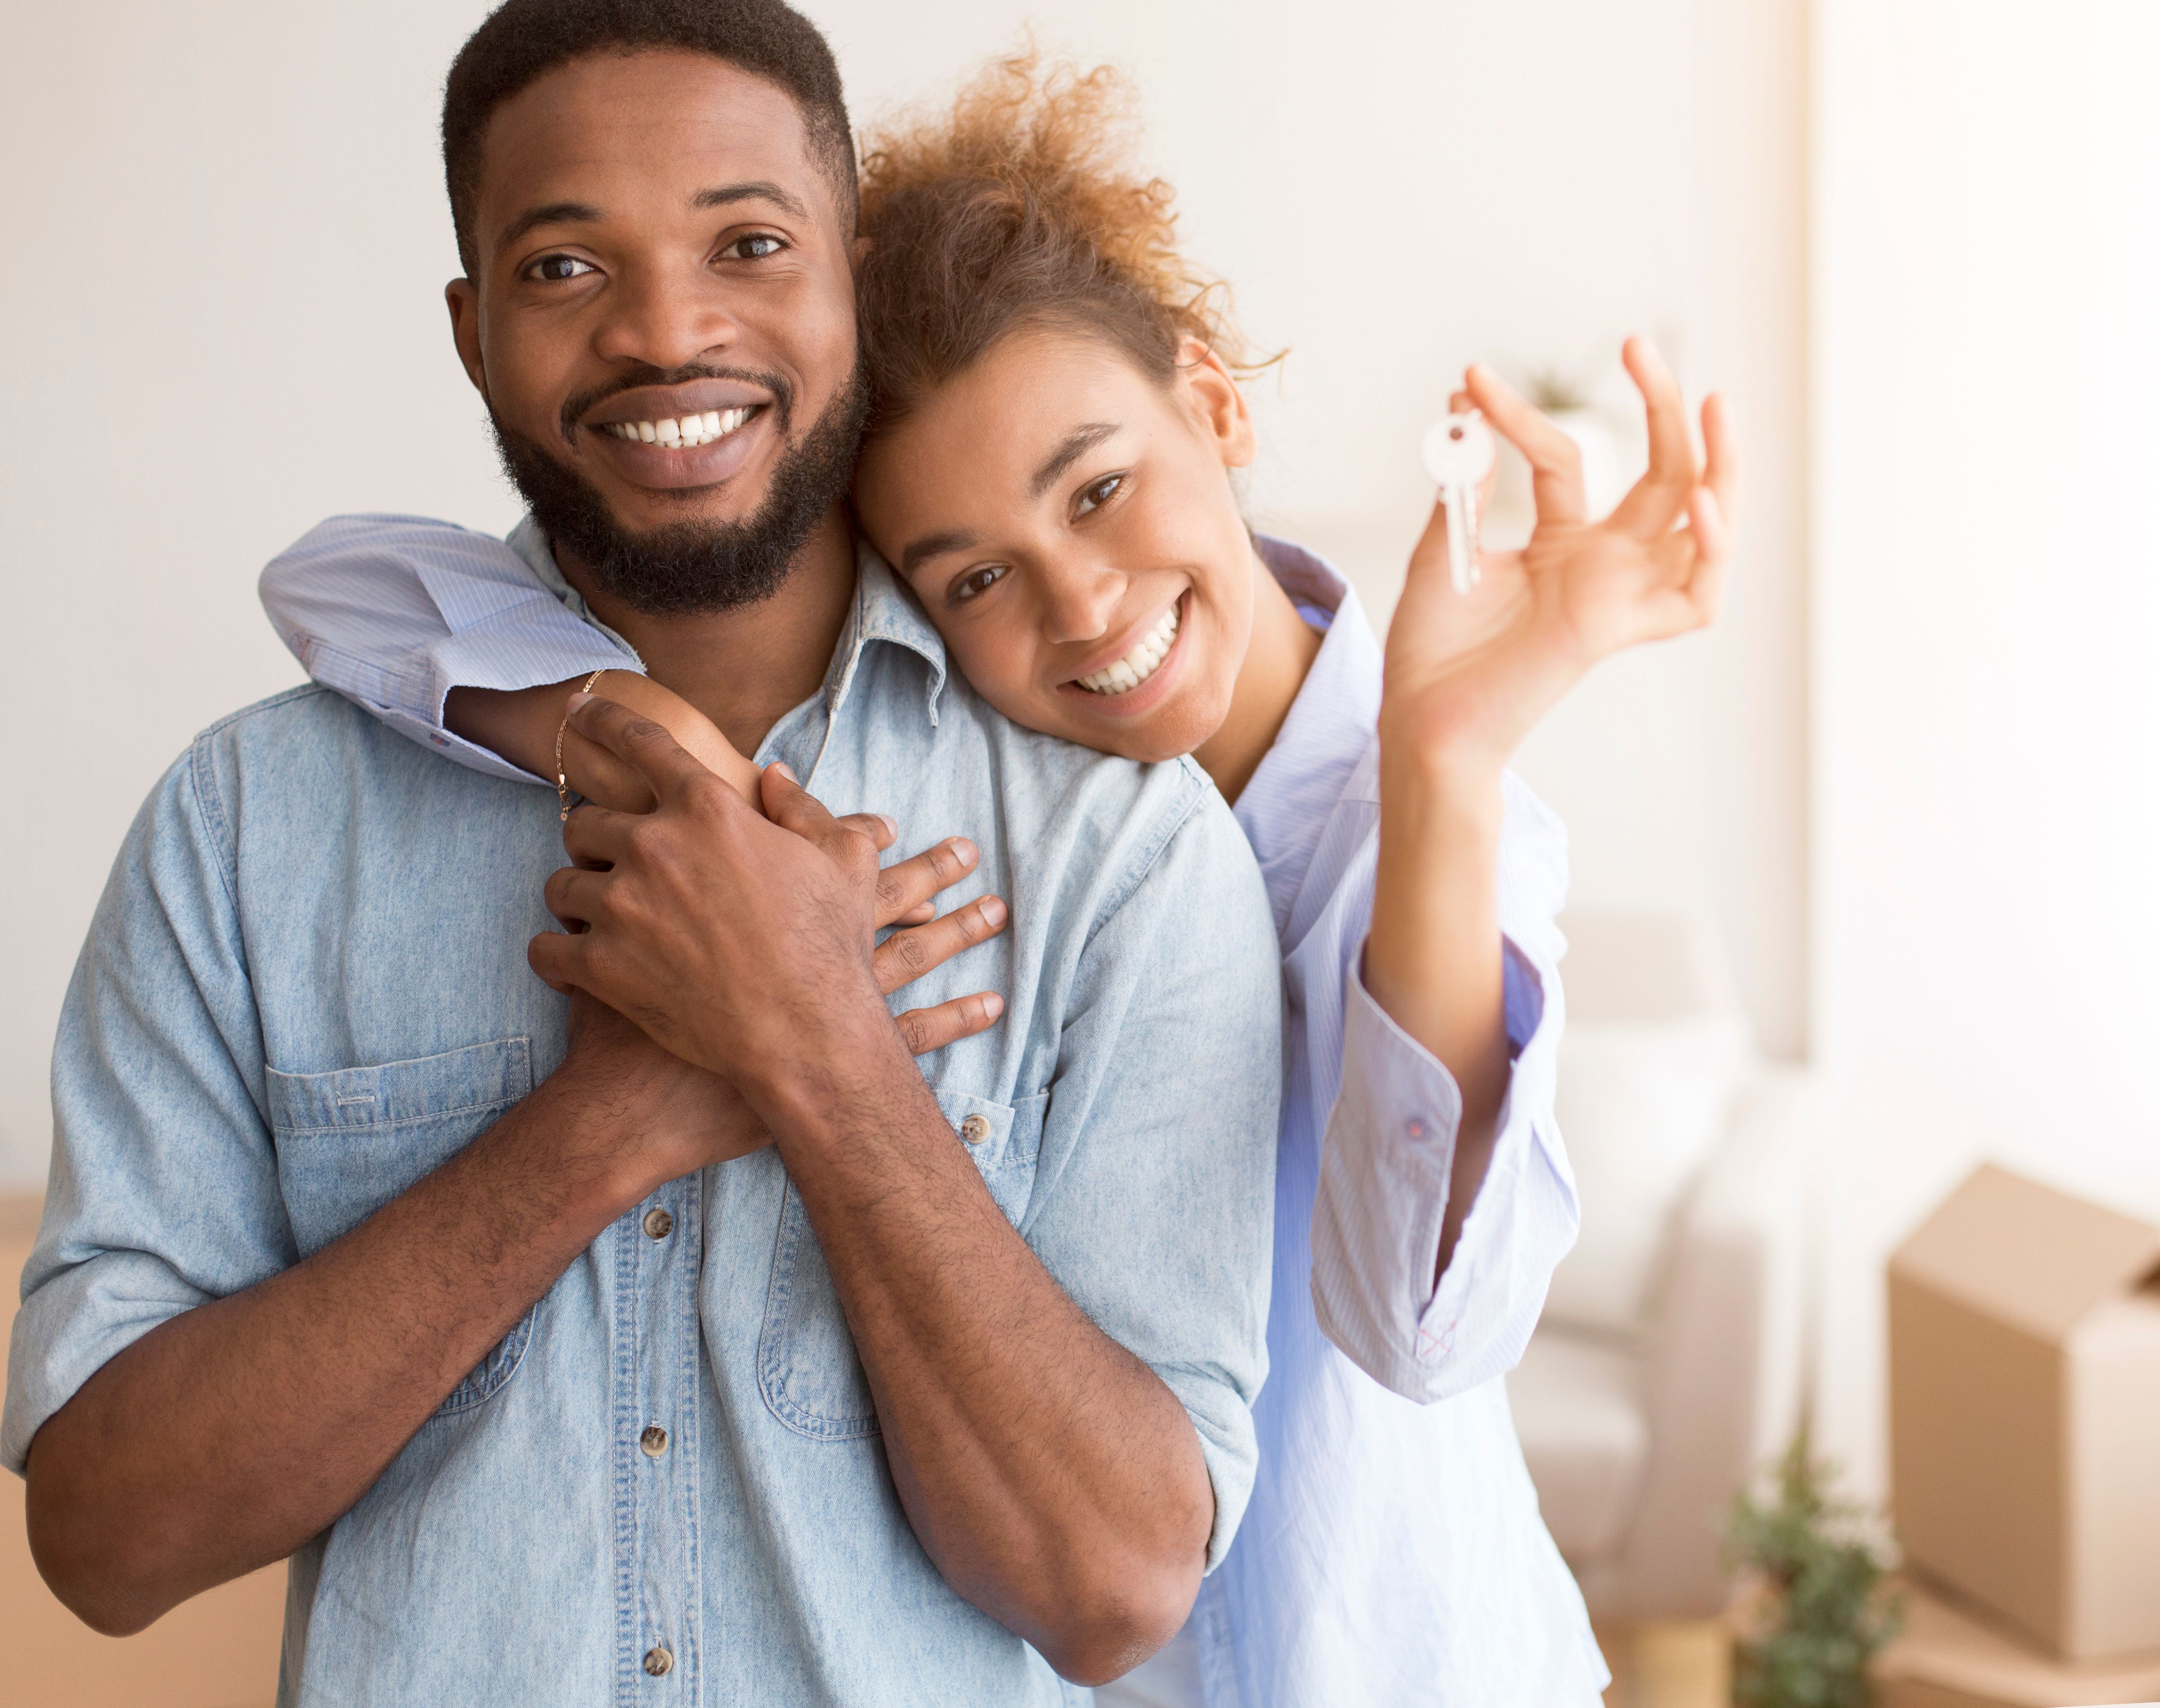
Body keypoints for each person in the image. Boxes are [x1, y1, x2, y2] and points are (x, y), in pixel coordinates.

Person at [256, 48, 1740, 1708]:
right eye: (977, 576)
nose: (1088, 607)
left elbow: (1428, 1328)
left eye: (1100, 489)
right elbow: (340, 588)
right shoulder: (977, 807)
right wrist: (650, 729)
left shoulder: (1412, 818)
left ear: (1219, 402)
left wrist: (1449, 761)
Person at [1, 6, 1287, 1704]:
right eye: (561, 269)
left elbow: (1116, 1585)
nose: (667, 331)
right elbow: (104, 1539)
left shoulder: (1119, 847)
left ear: (852, 267)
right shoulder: (250, 827)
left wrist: (818, 1042)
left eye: (747, 243)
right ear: (471, 332)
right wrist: (609, 1120)